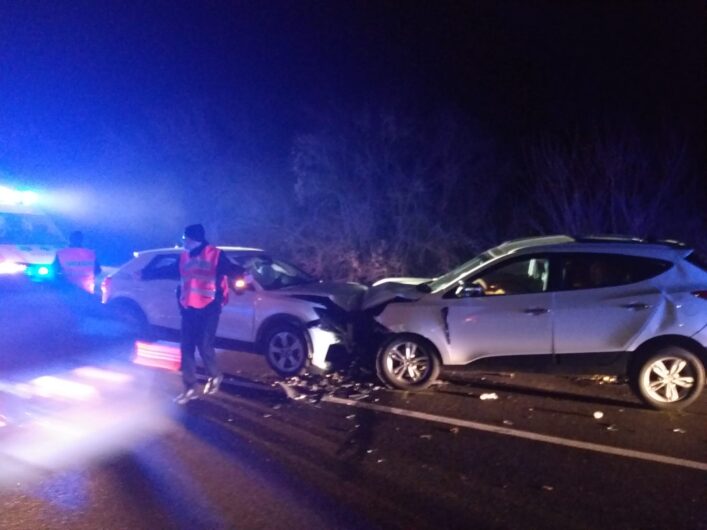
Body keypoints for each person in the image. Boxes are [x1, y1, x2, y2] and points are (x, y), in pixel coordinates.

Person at [174, 223, 238, 404]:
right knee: (186, 348)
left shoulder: (215, 254)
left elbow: (229, 268)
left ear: (194, 239)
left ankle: (215, 375)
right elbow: (171, 270)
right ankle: (190, 388)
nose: (183, 242)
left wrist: (243, 274)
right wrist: (145, 273)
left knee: (204, 344)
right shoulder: (184, 256)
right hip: (188, 308)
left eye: (185, 239)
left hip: (209, 308)